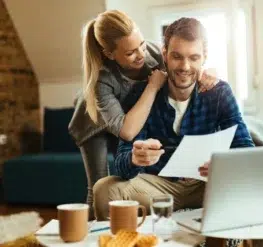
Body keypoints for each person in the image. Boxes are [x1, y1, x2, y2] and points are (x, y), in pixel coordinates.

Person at [68, 10, 218, 220]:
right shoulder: (103, 82)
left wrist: (209, 72)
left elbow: (185, 69)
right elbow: (128, 131)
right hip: (94, 124)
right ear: (110, 54)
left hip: (133, 113)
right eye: (130, 52)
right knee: (98, 186)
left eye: (141, 45)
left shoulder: (154, 52)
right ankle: (96, 236)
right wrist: (153, 86)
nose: (141, 54)